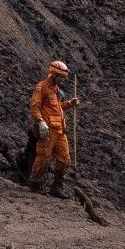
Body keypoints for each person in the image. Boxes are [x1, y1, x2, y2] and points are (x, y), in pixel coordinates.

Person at [27, 59, 80, 197]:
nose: (63, 80)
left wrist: (69, 103)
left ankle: (56, 187)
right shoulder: (42, 87)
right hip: (48, 130)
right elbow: (34, 108)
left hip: (60, 130)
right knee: (44, 157)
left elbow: (58, 108)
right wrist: (40, 121)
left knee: (65, 159)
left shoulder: (56, 90)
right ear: (54, 74)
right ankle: (35, 185)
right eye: (61, 77)